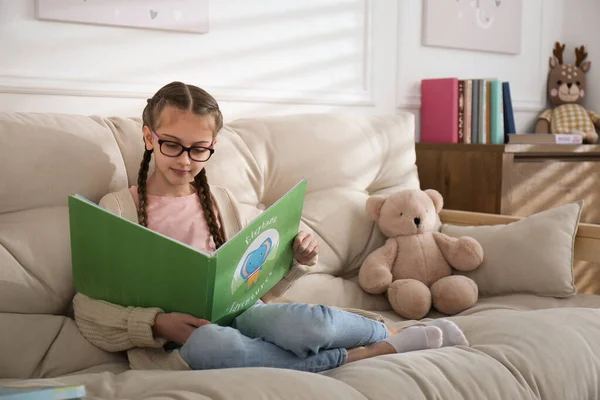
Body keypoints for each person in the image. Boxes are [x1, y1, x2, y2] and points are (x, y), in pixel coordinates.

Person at [72, 81, 470, 373]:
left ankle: (389, 332)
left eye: (199, 149)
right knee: (213, 343)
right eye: (172, 144)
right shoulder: (118, 209)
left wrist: (294, 261)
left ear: (212, 146)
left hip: (245, 313)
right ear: (148, 137)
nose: (185, 160)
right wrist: (157, 323)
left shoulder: (221, 202)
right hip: (179, 343)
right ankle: (369, 354)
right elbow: (86, 306)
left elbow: (256, 285)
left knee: (305, 323)